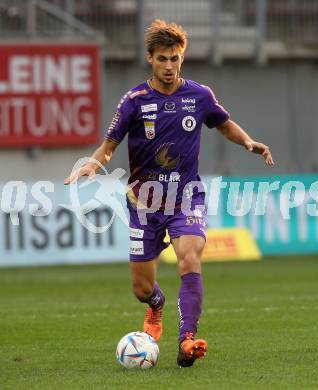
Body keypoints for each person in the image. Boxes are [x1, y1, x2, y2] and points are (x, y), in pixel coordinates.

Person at [64, 19, 274, 367]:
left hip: (186, 198)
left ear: (182, 57)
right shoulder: (134, 101)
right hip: (143, 204)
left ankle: (187, 340)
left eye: (175, 58)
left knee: (190, 257)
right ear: (150, 58)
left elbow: (224, 124)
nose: (169, 66)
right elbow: (108, 146)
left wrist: (248, 141)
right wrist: (92, 164)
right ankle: (156, 306)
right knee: (141, 289)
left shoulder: (199, 95)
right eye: (162, 58)